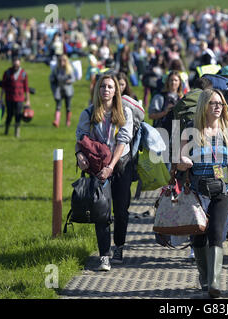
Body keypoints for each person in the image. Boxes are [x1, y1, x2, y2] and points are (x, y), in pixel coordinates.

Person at [178, 88, 228, 298]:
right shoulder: (191, 130)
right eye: (213, 103)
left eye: (220, 103)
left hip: (221, 190)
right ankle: (205, 278)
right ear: (204, 106)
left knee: (216, 233)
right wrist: (183, 162)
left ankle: (215, 282)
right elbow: (178, 163)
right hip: (198, 192)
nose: (218, 107)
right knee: (198, 237)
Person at [75, 73, 134, 272]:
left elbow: (122, 141)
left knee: (121, 209)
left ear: (116, 90)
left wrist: (111, 166)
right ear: (97, 90)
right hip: (98, 166)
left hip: (120, 165)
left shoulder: (125, 112)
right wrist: (79, 155)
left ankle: (119, 246)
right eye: (102, 87)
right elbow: (80, 137)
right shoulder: (89, 113)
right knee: (101, 211)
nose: (106, 90)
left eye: (110, 87)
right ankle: (104, 256)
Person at [0, 55, 30, 138]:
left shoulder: (23, 73)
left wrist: (27, 100)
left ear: (20, 64)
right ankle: (7, 129)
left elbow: (26, 88)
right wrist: (1, 98)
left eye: (17, 65)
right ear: (12, 64)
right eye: (15, 65)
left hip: (20, 98)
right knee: (9, 114)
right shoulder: (7, 73)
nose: (16, 67)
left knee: (18, 114)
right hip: (9, 98)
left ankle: (17, 132)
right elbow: (3, 87)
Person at [148, 70, 184, 138]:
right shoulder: (159, 97)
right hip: (161, 133)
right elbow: (151, 116)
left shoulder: (182, 99)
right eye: (171, 80)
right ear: (167, 82)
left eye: (176, 80)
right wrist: (165, 112)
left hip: (176, 133)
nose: (173, 82)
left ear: (180, 82)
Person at [50, 54, 75, 127]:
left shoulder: (69, 69)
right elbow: (51, 78)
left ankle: (68, 122)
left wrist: (69, 81)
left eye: (63, 61)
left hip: (68, 90)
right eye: (60, 60)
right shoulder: (56, 69)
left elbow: (73, 78)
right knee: (58, 106)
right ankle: (57, 121)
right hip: (58, 89)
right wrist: (53, 80)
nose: (62, 62)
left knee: (68, 107)